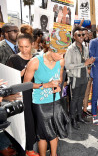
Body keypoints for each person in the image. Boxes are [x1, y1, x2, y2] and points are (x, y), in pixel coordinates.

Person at [23, 28, 71, 156]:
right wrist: (45, 85)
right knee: (43, 135)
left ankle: (54, 154)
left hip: (55, 100)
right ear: (51, 48)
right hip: (40, 103)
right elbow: (26, 84)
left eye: (63, 54)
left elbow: (60, 78)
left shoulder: (60, 61)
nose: (62, 57)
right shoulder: (35, 62)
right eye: (60, 53)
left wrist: (58, 86)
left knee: (54, 131)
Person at [6, 25, 38, 156]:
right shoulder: (13, 59)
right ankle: (27, 149)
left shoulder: (37, 58)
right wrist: (21, 73)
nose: (24, 50)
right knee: (27, 122)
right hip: (22, 96)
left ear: (32, 45)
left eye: (27, 46)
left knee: (37, 121)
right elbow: (7, 82)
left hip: (37, 94)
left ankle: (33, 145)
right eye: (21, 46)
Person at [65, 26, 95, 129]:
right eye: (79, 35)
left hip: (84, 76)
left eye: (83, 34)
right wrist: (84, 64)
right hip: (75, 77)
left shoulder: (85, 48)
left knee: (81, 98)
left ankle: (79, 117)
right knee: (74, 99)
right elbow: (67, 65)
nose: (82, 36)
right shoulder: (70, 49)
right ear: (74, 36)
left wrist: (89, 63)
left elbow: (86, 62)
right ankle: (72, 119)